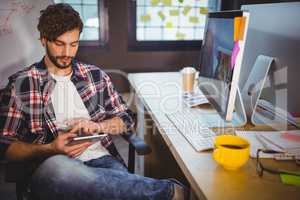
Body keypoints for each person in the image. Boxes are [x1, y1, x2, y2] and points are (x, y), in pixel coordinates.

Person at [0, 3, 187, 200]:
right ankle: (171, 192)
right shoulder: (21, 83)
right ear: (43, 40)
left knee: (117, 184)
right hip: (53, 163)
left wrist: (97, 126)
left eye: (74, 44)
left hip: (101, 159)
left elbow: (126, 119)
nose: (67, 53)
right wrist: (51, 148)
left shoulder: (95, 76)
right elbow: (5, 146)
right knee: (61, 171)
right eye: (59, 44)